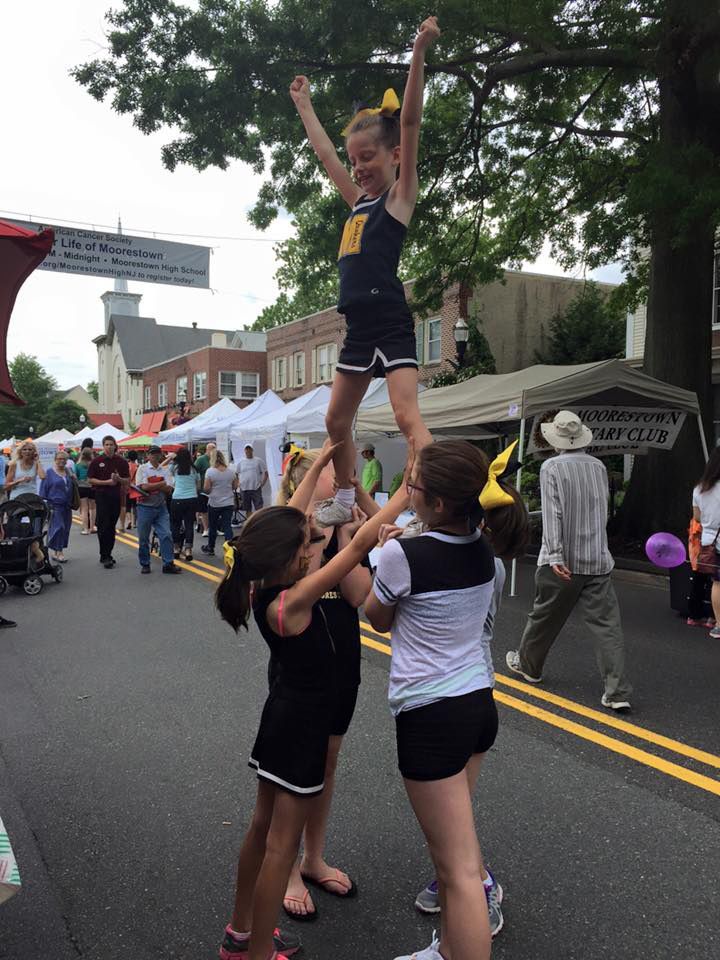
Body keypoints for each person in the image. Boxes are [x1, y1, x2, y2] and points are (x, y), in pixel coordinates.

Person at [214, 440, 410, 960]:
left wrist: (321, 462)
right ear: (293, 557)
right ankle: (256, 953)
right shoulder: (295, 598)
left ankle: (240, 934)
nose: (314, 543)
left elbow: (290, 519)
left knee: (261, 829)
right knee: (281, 846)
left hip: (279, 721)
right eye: (307, 543)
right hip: (301, 733)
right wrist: (409, 491)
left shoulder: (265, 586)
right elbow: (357, 543)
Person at [365, 440, 527, 960]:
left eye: (412, 484)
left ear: (433, 503)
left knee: (458, 872)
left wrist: (389, 550)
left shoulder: (400, 555)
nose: (405, 489)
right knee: (456, 852)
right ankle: (449, 949)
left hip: (430, 718)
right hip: (478, 706)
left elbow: (378, 616)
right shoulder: (485, 549)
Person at [289, 16, 439, 527]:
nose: (357, 168)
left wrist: (418, 53)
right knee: (335, 419)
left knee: (406, 418)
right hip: (357, 328)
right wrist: (305, 106)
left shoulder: (397, 199)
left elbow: (413, 122)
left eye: (368, 157)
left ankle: (428, 502)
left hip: (391, 320)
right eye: (355, 161)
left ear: (395, 156)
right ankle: (348, 498)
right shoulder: (356, 202)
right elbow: (324, 152)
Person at [410, 443, 530, 938]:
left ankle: (477, 892)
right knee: (455, 810)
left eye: (416, 486)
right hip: (480, 696)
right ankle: (463, 883)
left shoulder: (439, 557)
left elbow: (377, 610)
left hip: (446, 703)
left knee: (451, 835)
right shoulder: (488, 559)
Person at [275, 449, 376, 921]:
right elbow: (303, 585)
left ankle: (313, 858)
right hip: (301, 670)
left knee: (328, 765)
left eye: (343, 485)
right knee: (295, 771)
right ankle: (287, 869)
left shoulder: (341, 532)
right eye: (330, 487)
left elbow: (358, 596)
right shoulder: (289, 539)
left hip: (344, 663)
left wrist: (342, 530)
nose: (340, 492)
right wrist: (318, 531)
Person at [506, 410, 633, 712]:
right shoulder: (599, 466)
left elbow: (553, 514)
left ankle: (529, 666)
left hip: (561, 559)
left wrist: (554, 554)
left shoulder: (551, 467)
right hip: (597, 559)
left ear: (556, 439)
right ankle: (617, 691)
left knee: (544, 618)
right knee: (608, 627)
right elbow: (602, 511)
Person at [135, 445, 181, 575]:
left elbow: (169, 489)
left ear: (161, 455)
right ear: (148, 456)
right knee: (143, 538)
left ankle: (168, 563)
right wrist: (161, 484)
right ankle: (145, 563)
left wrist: (153, 485)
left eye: (157, 454)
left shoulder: (165, 470)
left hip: (160, 507)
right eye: (152, 454)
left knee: (166, 534)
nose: (155, 456)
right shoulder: (142, 468)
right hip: (145, 507)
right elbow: (143, 487)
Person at [87, 435, 130, 569]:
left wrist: (118, 479)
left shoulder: (121, 461)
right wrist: (106, 482)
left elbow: (127, 480)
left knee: (111, 526)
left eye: (111, 444)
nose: (109, 447)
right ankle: (105, 555)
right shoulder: (97, 461)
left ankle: (108, 553)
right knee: (103, 525)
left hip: (116, 496)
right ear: (103, 446)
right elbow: (90, 479)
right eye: (106, 444)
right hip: (101, 495)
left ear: (115, 446)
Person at [692, 446, 720, 638]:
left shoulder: (700, 488)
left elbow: (697, 518)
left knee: (717, 583)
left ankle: (718, 623)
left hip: (709, 540)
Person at [5, 440, 46, 567]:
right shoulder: (14, 464)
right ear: (20, 452)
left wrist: (38, 461)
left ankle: (36, 551)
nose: (27, 452)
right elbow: (6, 486)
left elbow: (42, 476)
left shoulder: (35, 463)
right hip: (17, 499)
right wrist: (20, 480)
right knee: (17, 528)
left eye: (30, 450)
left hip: (32, 499)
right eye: (25, 449)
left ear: (34, 452)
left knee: (34, 527)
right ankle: (19, 555)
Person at [39, 449, 75, 563]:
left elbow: (73, 486)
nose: (62, 461)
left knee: (65, 529)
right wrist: (43, 503)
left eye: (64, 459)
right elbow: (43, 489)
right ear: (55, 460)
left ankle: (55, 551)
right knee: (59, 527)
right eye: (59, 459)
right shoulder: (49, 472)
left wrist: (74, 479)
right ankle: (59, 552)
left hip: (67, 505)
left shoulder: (68, 471)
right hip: (54, 505)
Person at [201, 450, 238, 557]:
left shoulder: (210, 471)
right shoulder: (231, 471)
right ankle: (230, 548)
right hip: (228, 502)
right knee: (227, 526)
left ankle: (211, 547)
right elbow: (235, 486)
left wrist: (212, 489)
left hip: (214, 502)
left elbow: (206, 488)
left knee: (213, 526)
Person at [170, 447, 200, 561]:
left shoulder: (175, 468)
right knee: (189, 524)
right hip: (192, 498)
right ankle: (188, 550)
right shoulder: (194, 469)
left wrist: (172, 459)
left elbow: (164, 469)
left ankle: (176, 548)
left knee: (175, 524)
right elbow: (198, 486)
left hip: (177, 498)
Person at [236, 443, 268, 516]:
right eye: (246, 449)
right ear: (244, 451)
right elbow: (236, 473)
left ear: (252, 450)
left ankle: (259, 523)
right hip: (244, 489)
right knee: (247, 508)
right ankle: (249, 523)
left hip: (256, 488)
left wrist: (262, 483)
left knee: (259, 508)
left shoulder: (258, 460)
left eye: (249, 449)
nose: (248, 451)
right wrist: (238, 483)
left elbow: (266, 473)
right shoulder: (241, 462)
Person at [194, 442, 216, 537]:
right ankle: (206, 529)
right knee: (203, 510)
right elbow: (194, 471)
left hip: (214, 489)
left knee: (213, 510)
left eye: (214, 448)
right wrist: (197, 485)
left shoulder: (215, 459)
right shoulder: (201, 459)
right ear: (207, 449)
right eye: (212, 448)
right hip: (203, 489)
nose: (213, 450)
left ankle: (214, 528)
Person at [75, 447, 97, 534]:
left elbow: (76, 477)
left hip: (81, 487)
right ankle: (92, 527)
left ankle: (85, 529)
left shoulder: (78, 465)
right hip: (92, 486)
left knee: (84, 508)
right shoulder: (94, 464)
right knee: (93, 508)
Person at [125, 450, 140, 530]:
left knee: (127, 506)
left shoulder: (126, 466)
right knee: (135, 506)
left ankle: (129, 520)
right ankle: (134, 523)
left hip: (128, 487)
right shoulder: (138, 466)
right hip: (136, 488)